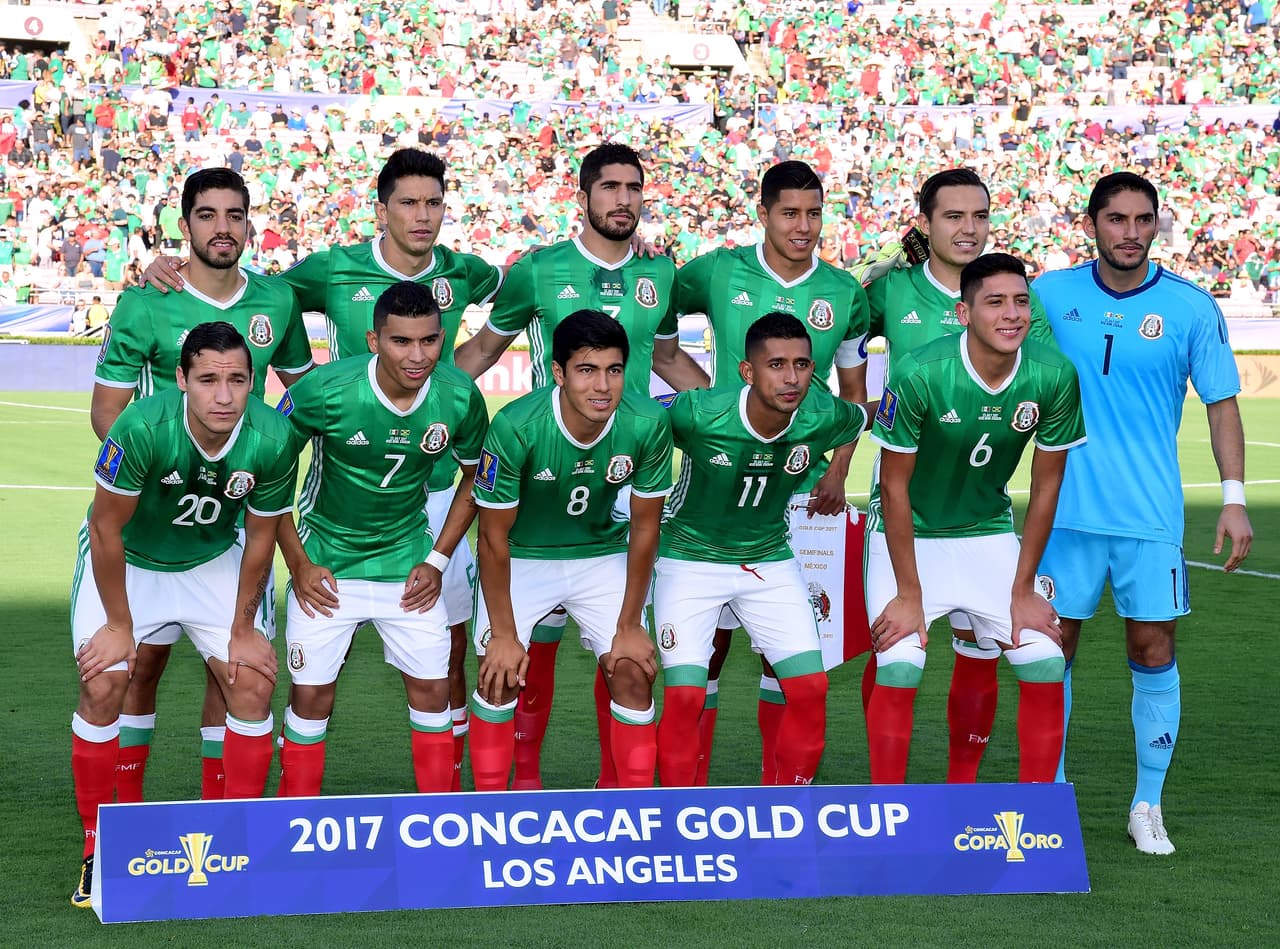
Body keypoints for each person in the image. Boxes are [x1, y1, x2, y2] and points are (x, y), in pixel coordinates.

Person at [144, 149, 504, 789]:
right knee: (302, 692)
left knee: (446, 661)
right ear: (381, 209)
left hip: (431, 499)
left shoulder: (465, 274)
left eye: (434, 203)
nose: (423, 216)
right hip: (335, 493)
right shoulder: (331, 271)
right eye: (409, 202)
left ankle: (450, 815)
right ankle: (282, 817)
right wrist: (167, 267)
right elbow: (253, 289)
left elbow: (526, 292)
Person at [454, 142, 707, 791]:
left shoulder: (662, 277)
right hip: (542, 478)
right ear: (585, 195)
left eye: (634, 187)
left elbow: (674, 363)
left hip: (623, 480)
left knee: (625, 653)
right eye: (611, 187)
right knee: (525, 649)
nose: (624, 199)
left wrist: (734, 409)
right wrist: (422, 402)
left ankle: (616, 791)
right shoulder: (539, 270)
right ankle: (523, 781)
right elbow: (485, 347)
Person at [1033, 173, 1253, 854]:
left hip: (1149, 515)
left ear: (1157, 225)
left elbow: (1221, 405)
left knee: (1152, 649)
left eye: (1142, 220)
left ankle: (1147, 804)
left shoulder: (1191, 307)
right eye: (1116, 219)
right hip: (1061, 513)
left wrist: (1235, 498)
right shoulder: (1048, 295)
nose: (1130, 232)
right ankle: (1050, 796)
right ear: (1091, 222)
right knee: (1050, 651)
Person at [92, 168, 312, 803]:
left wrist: (257, 465)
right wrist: (162, 472)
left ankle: (222, 821)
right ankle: (118, 823)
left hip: (235, 519)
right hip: (153, 513)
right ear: (184, 225)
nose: (223, 228)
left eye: (235, 215)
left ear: (250, 223)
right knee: (142, 664)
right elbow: (109, 413)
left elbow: (300, 400)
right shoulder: (146, 300)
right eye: (208, 216)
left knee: (237, 672)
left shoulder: (277, 300)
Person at [69, 322, 300, 907]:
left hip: (211, 559)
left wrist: (243, 629)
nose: (224, 396)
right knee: (104, 684)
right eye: (208, 380)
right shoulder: (144, 426)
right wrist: (120, 626)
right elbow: (105, 529)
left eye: (237, 381)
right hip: (132, 561)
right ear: (181, 380)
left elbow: (260, 538)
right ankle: (97, 847)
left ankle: (240, 840)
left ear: (255, 381)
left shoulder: (273, 436)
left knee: (250, 681)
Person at [675, 160, 870, 785]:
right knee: (709, 652)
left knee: (784, 657)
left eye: (814, 213)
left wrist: (837, 471)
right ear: (763, 213)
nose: (804, 225)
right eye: (790, 212)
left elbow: (855, 396)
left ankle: (781, 792)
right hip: (717, 482)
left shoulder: (844, 292)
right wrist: (715, 406)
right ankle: (690, 787)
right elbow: (656, 337)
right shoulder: (717, 270)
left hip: (800, 493)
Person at [861, 168, 1058, 783]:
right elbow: (829, 344)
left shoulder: (1025, 311)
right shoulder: (888, 291)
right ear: (924, 224)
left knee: (986, 652)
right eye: (952, 216)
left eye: (979, 216)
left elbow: (1038, 385)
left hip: (983, 516)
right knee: (896, 648)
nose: (967, 228)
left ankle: (965, 790)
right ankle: (887, 808)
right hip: (904, 510)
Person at [275, 281, 488, 796]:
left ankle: (442, 828)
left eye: (430, 341)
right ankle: (293, 822)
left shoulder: (458, 396)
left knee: (435, 692)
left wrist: (437, 559)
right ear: (373, 340)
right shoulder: (323, 390)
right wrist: (300, 565)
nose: (418, 356)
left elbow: (476, 476)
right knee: (311, 700)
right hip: (327, 570)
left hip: (408, 567)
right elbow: (266, 472)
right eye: (401, 342)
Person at [654, 312, 872, 787]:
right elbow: (637, 424)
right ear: (748, 372)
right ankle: (677, 813)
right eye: (776, 364)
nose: (791, 377)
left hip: (768, 558)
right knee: (687, 697)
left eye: (802, 364)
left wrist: (837, 471)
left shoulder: (822, 413)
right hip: (690, 559)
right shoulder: (698, 412)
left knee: (811, 689)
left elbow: (858, 418)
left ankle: (789, 806)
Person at [468, 309, 674, 791]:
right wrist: (502, 633)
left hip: (601, 555)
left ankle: (632, 810)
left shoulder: (647, 423)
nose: (602, 386)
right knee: (497, 676)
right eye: (586, 370)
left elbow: (645, 529)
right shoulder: (516, 426)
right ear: (558, 373)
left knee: (633, 671)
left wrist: (628, 625)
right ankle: (494, 812)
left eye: (614, 370)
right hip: (522, 557)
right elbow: (493, 538)